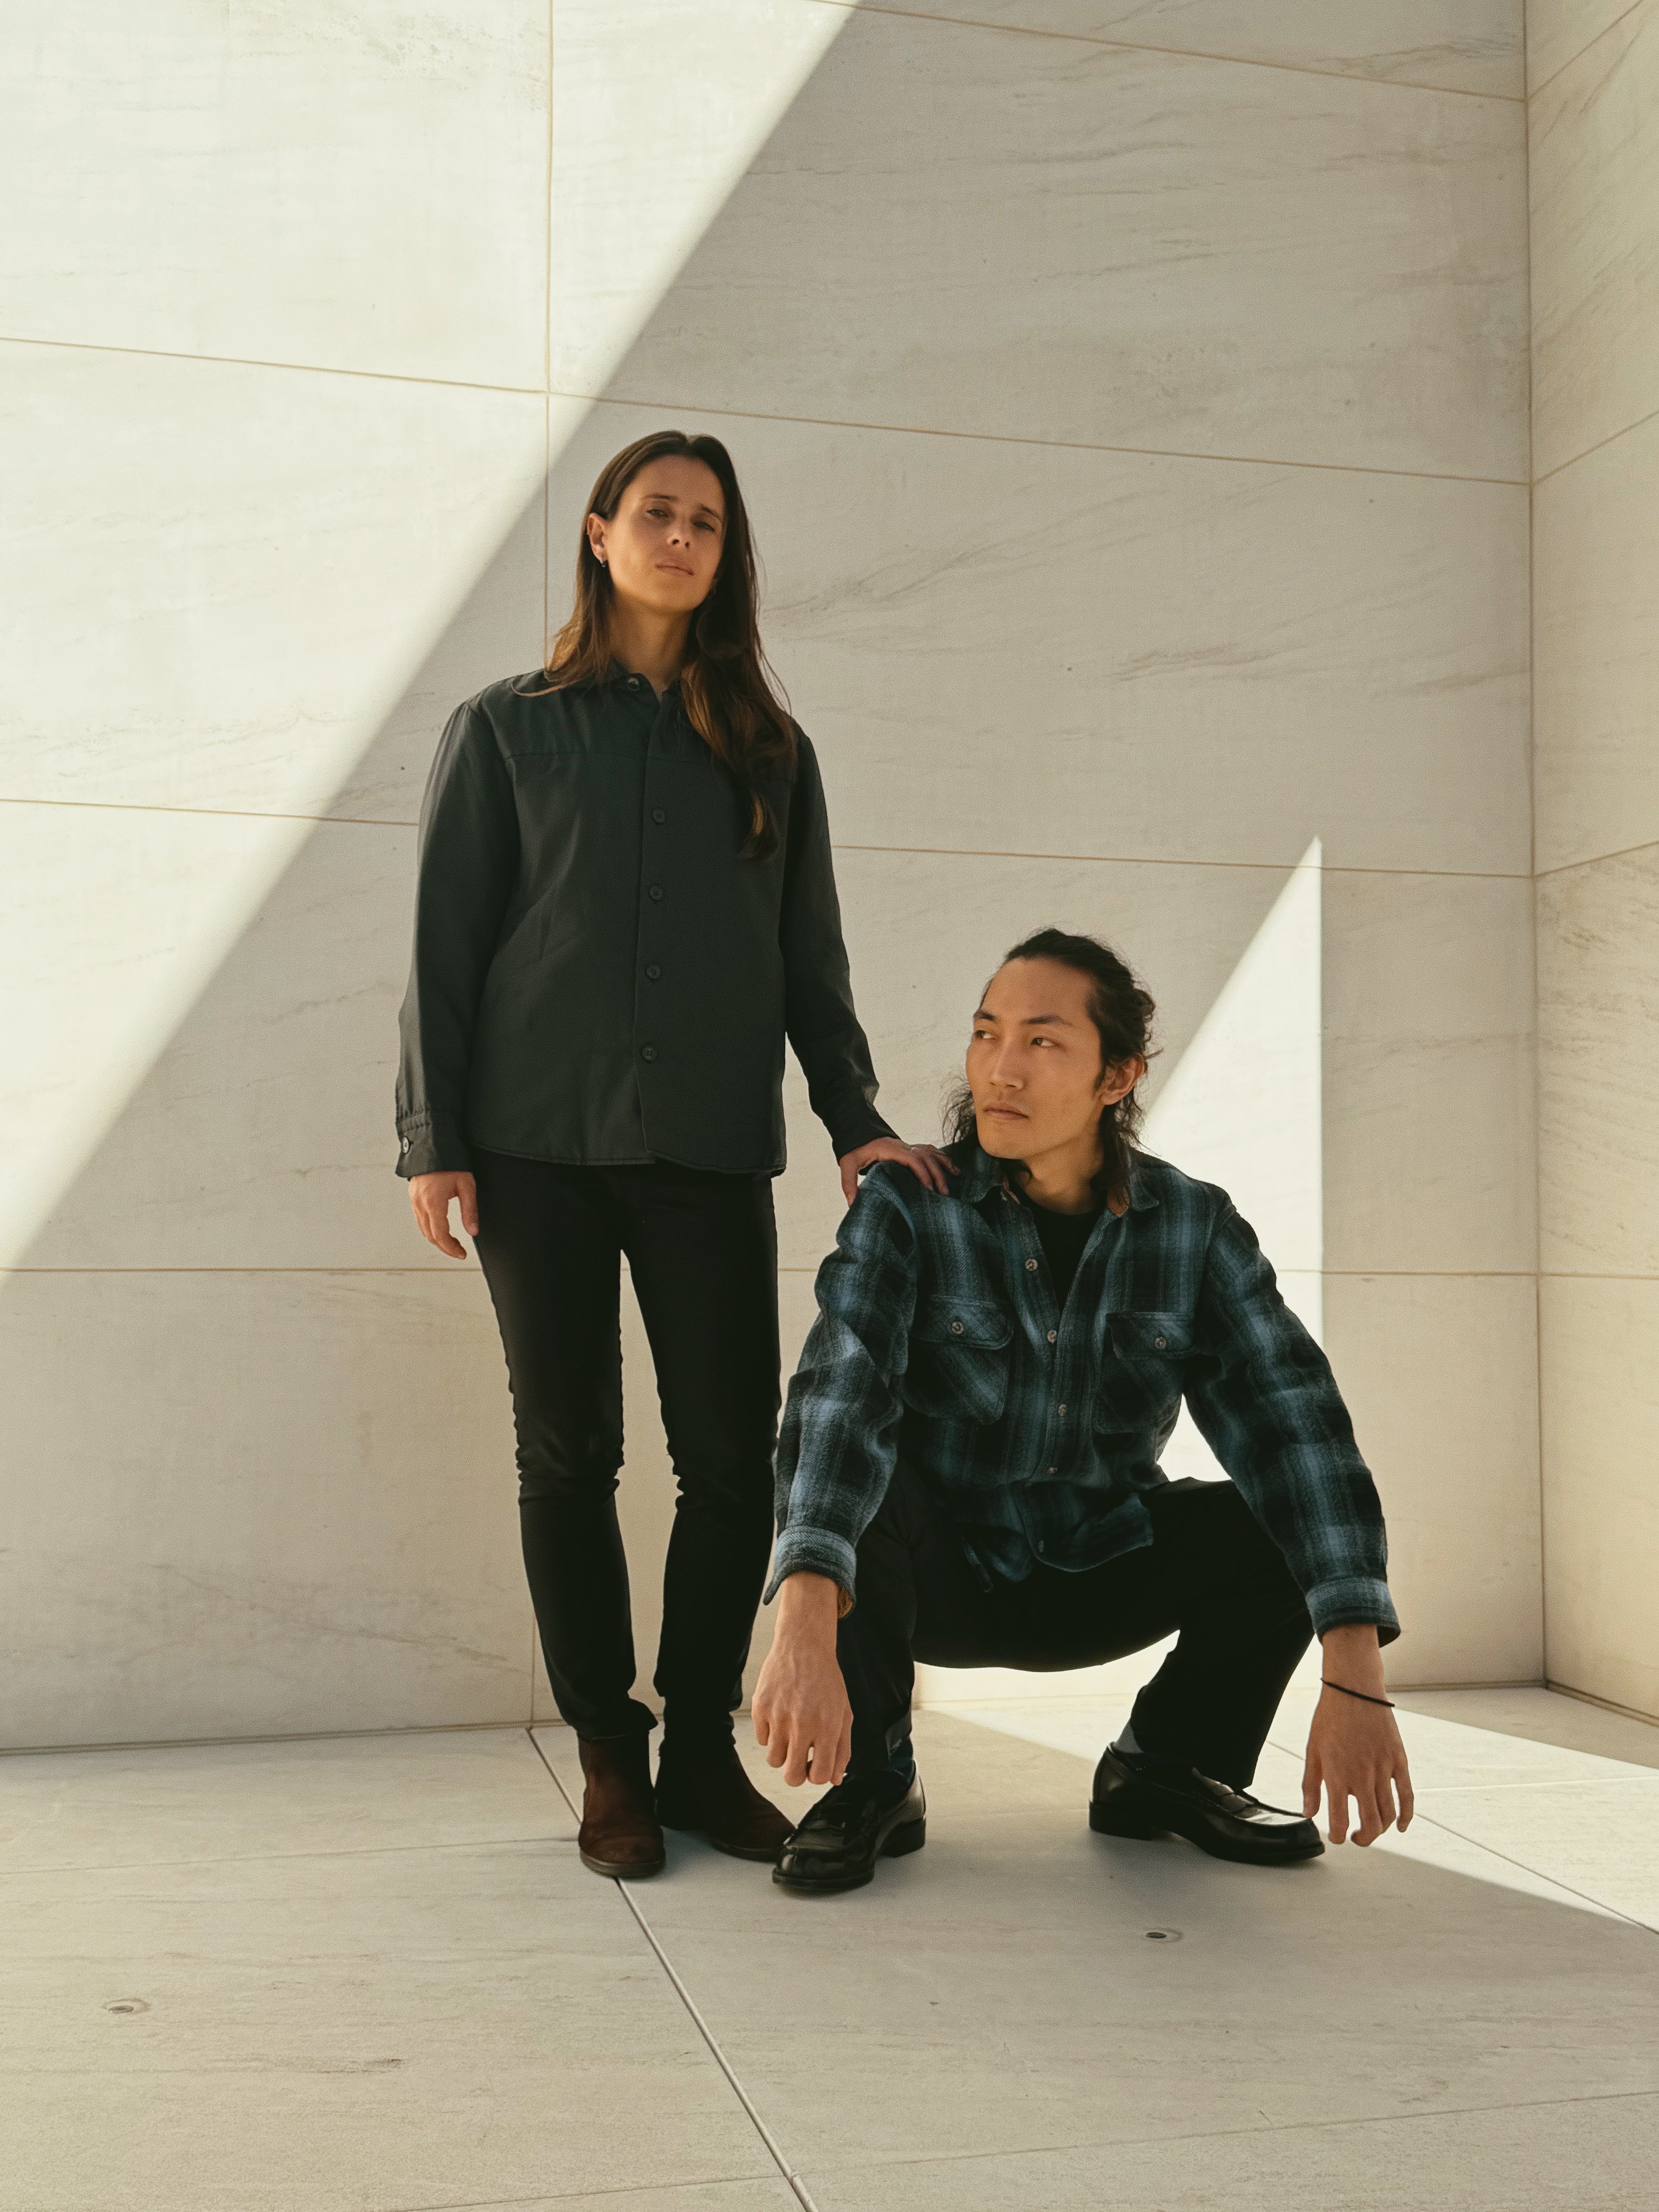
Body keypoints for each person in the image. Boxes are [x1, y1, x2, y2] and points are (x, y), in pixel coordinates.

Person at [395, 429, 951, 1880]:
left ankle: (699, 1752)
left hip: (707, 1147)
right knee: (568, 1452)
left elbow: (806, 965)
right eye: (658, 512)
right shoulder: (504, 729)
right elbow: (445, 953)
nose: (684, 537)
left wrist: (857, 1122)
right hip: (533, 1150)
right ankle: (607, 1760)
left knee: (730, 1461)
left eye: (707, 521)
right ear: (599, 534)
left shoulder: (772, 751)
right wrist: (432, 1141)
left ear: (727, 553)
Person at [752, 928, 1414, 1893]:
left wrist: (1356, 1673)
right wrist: (805, 1610)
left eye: (1042, 1041)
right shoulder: (908, 1205)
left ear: (1118, 1077)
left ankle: (1167, 1768)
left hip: (1099, 1567)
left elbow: (1297, 1427)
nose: (1000, 1069)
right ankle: (874, 1780)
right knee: (866, 1476)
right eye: (987, 1035)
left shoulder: (1193, 1227)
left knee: (1270, 1518)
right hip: (944, 1579)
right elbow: (837, 1394)